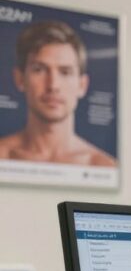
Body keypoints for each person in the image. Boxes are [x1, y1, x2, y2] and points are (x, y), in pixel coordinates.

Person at [0, 20, 115, 166]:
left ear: (82, 85)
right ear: (20, 79)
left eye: (65, 72)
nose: (53, 85)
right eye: (39, 70)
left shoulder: (105, 166)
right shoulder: (2, 156)